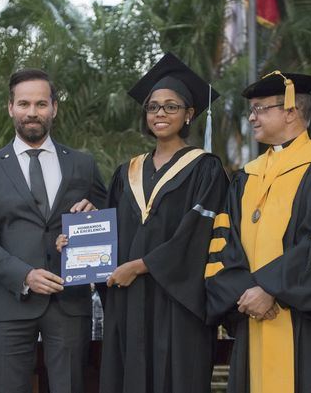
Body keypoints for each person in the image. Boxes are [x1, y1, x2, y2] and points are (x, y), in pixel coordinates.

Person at [205, 72, 311, 393]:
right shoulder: (246, 177)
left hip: (308, 327)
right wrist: (247, 293)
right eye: (251, 111)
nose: (252, 118)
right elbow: (225, 247)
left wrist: (270, 289)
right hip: (253, 320)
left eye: (260, 109)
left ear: (291, 111)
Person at [91, 53, 229, 393]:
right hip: (128, 301)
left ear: (189, 114)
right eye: (153, 107)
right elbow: (109, 234)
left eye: (171, 106)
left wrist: (140, 266)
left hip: (177, 303)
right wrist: (79, 245)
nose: (160, 114)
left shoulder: (205, 169)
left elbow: (196, 237)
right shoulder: (126, 172)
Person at [0, 68, 107, 393]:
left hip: (70, 302)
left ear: (54, 108)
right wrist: (25, 275)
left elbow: (108, 218)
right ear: (10, 107)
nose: (33, 112)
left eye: (41, 104)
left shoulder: (82, 165)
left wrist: (96, 217)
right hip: (12, 301)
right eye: (24, 103)